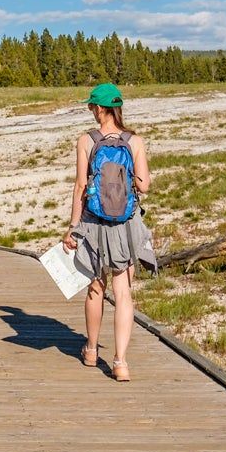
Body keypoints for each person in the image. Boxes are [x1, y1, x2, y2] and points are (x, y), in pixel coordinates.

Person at [61, 83, 153, 382]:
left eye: (92, 106)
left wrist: (73, 228)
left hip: (94, 222)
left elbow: (79, 186)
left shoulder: (86, 141)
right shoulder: (134, 141)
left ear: (99, 109)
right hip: (125, 225)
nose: (91, 110)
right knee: (123, 292)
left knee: (95, 287)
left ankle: (90, 349)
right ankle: (121, 361)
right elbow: (144, 186)